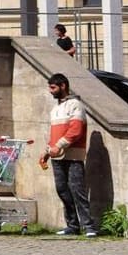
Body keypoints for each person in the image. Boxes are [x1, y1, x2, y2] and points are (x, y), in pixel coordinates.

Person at [38, 73, 98, 237]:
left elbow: (75, 131)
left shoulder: (75, 105)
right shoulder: (56, 109)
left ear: (63, 86)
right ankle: (73, 225)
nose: (50, 91)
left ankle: (89, 226)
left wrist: (58, 146)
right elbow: (54, 135)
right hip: (57, 156)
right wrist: (47, 151)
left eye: (53, 87)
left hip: (73, 156)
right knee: (62, 190)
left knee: (77, 190)